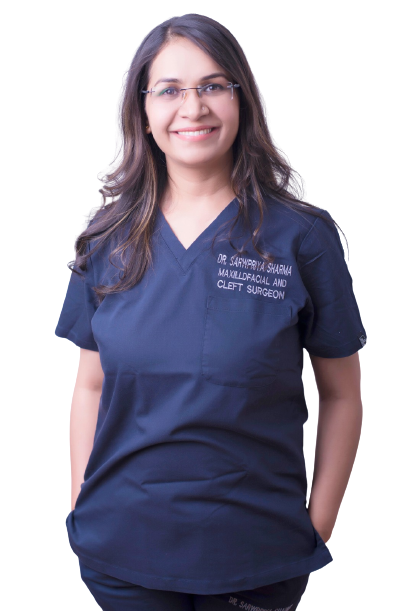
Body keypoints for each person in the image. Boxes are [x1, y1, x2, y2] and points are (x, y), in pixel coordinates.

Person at [55, 13, 366, 611]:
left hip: (258, 556)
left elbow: (342, 394)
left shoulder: (302, 238)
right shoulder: (106, 240)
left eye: (213, 85)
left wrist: (319, 524)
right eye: (169, 89)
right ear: (142, 110)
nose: (192, 107)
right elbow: (90, 386)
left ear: (241, 99)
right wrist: (80, 500)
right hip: (121, 551)